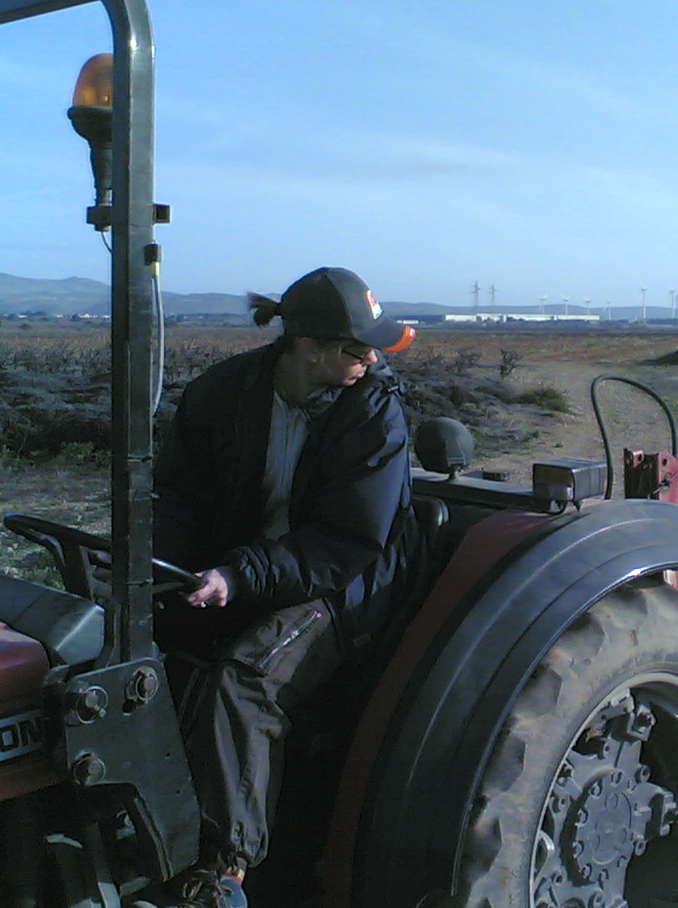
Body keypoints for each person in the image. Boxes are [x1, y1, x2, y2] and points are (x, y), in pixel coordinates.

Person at [152, 267, 419, 908]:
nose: (372, 358)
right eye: (358, 347)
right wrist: (154, 563)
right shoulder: (224, 393)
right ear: (307, 346)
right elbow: (179, 496)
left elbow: (347, 544)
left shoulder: (375, 416)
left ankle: (225, 871)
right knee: (127, 642)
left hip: (342, 588)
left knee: (243, 678)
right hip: (243, 572)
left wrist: (239, 574)